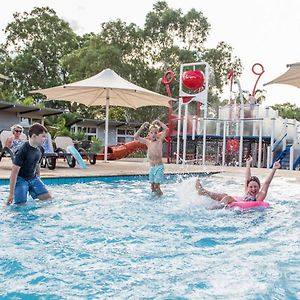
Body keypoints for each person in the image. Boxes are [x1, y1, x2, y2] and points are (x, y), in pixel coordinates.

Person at [195, 156, 281, 207]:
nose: (253, 189)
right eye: (251, 187)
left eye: (255, 186)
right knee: (224, 195)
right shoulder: (248, 191)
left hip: (244, 210)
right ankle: (203, 192)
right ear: (248, 187)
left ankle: (212, 209)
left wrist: (274, 169)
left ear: (259, 187)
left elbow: (266, 183)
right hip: (239, 203)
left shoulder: (259, 196)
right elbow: (247, 178)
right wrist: (248, 164)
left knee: (228, 198)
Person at [7, 123, 52, 205]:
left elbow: (37, 164)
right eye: (43, 136)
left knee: (49, 200)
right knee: (20, 206)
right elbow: (14, 173)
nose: (45, 139)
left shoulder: (41, 149)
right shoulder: (23, 150)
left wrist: (38, 178)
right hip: (21, 179)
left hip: (33, 178)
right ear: (34, 136)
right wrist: (11, 194)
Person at [134, 119, 168, 196]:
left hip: (159, 167)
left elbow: (166, 129)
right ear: (149, 134)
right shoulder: (147, 142)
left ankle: (160, 199)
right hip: (152, 168)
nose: (153, 134)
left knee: (157, 186)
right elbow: (136, 136)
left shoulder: (159, 141)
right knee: (152, 187)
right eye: (151, 133)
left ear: (158, 134)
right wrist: (142, 127)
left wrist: (159, 122)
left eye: (155, 133)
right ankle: (154, 200)